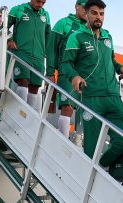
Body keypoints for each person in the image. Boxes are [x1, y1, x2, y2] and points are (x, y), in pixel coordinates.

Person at [59, 0, 123, 165]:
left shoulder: (108, 37)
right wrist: (74, 77)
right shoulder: (76, 37)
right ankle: (92, 175)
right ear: (86, 14)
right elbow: (66, 63)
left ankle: (101, 166)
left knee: (121, 142)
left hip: (113, 97)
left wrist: (120, 68)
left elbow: (111, 60)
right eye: (94, 13)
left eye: (102, 14)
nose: (99, 17)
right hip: (91, 97)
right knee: (91, 148)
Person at [46, 0, 88, 137]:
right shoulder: (63, 23)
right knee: (67, 107)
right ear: (76, 6)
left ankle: (80, 145)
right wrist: (50, 72)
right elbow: (51, 49)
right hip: (67, 73)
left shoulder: (89, 28)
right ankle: (63, 142)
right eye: (84, 7)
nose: (86, 11)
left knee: (86, 112)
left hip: (85, 76)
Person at [7, 0, 52, 113]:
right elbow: (4, 26)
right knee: (23, 81)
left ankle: (28, 115)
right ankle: (20, 113)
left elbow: (48, 35)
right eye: (38, 1)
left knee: (35, 86)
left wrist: (47, 51)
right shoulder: (18, 9)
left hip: (39, 57)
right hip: (22, 53)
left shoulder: (45, 14)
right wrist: (9, 40)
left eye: (43, 2)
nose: (40, 4)